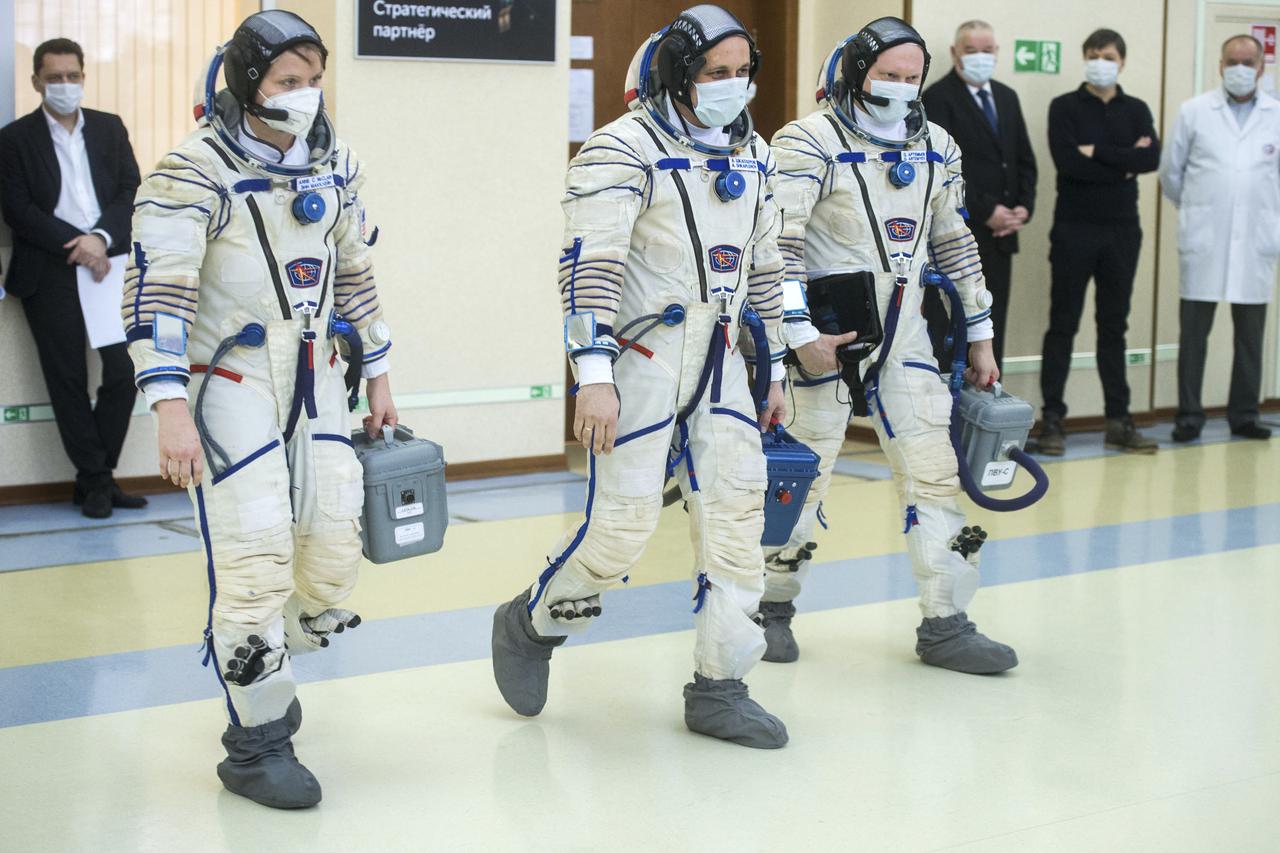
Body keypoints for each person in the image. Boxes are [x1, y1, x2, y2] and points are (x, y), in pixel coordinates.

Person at [490, 5, 792, 749]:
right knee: (622, 529)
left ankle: (721, 686)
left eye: (741, 71)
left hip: (723, 359)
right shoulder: (619, 150)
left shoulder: (754, 157)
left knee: (737, 523)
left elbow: (767, 269)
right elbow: (590, 270)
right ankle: (532, 621)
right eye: (715, 73)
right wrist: (593, 373)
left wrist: (775, 364)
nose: (732, 85)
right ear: (676, 74)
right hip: (642, 360)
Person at [122, 10, 397, 808]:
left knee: (334, 552)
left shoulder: (335, 163)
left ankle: (271, 652)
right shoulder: (191, 170)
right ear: (248, 84)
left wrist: (378, 371)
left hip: (315, 376)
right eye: (287, 82)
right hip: (229, 380)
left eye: (314, 81)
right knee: (253, 559)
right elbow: (158, 300)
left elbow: (356, 271)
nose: (305, 96)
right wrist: (168, 408)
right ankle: (257, 742)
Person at [765, 17, 1017, 673]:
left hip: (905, 332)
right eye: (888, 76)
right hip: (824, 335)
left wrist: (982, 333)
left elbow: (956, 243)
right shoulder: (807, 142)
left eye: (913, 78)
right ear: (855, 71)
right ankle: (769, 605)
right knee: (801, 479)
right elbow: (777, 247)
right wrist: (799, 334)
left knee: (935, 472)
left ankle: (947, 621)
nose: (902, 88)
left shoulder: (937, 145)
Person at [0, 38, 144, 518]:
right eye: (55, 77)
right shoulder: (14, 139)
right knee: (67, 379)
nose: (65, 85)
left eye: (73, 75)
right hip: (51, 269)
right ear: (37, 81)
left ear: (84, 77)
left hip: (109, 265)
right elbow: (18, 209)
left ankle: (95, 478)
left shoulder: (108, 128)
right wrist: (78, 244)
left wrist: (100, 238)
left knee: (124, 373)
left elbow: (130, 190)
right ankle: (98, 481)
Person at [1037, 29, 1160, 456]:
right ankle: (1052, 419)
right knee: (1063, 324)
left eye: (1106, 55)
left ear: (1121, 61)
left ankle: (1118, 420)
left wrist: (1098, 152)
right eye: (1091, 55)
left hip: (1123, 231)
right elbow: (1068, 163)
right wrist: (1124, 160)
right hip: (1074, 228)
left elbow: (1151, 159)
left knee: (1114, 327)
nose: (1099, 61)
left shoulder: (1137, 109)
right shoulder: (1065, 107)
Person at [1160, 35, 1278, 442]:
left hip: (1256, 243)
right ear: (1220, 64)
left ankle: (1245, 414)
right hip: (1205, 239)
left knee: (1250, 336)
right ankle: (1189, 416)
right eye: (1233, 60)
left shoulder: (1276, 114)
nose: (1241, 68)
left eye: (1249, 61)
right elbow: (1170, 176)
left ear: (1261, 67)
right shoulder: (1194, 112)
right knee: (1194, 335)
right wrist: (1202, 211)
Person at [921, 20, 1037, 369]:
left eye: (987, 51)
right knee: (954, 327)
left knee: (992, 324)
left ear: (997, 53)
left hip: (1002, 237)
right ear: (956, 53)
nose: (980, 57)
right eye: (971, 51)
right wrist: (987, 211)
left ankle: (990, 395)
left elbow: (1023, 160)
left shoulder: (1006, 97)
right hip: (960, 231)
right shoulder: (938, 98)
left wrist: (1022, 209)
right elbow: (942, 170)